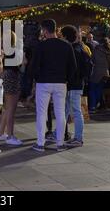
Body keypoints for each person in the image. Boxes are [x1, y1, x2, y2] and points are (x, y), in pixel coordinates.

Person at [29, 19, 77, 153]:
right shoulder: (67, 46)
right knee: (60, 113)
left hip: (43, 82)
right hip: (61, 83)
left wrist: (37, 78)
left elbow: (34, 66)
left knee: (41, 112)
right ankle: (60, 143)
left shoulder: (41, 46)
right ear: (56, 29)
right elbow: (73, 67)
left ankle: (40, 143)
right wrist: (67, 79)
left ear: (44, 30)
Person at [60, 25, 90, 147]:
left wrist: (68, 80)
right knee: (66, 110)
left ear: (66, 37)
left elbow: (72, 69)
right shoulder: (80, 48)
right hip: (77, 84)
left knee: (76, 111)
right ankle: (60, 133)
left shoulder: (73, 50)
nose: (60, 38)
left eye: (61, 35)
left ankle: (78, 138)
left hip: (73, 85)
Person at [0, 30, 23, 146]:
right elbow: (21, 64)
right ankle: (10, 136)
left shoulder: (1, 51)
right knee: (11, 108)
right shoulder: (15, 51)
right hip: (12, 77)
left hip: (5, 76)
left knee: (7, 107)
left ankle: (1, 133)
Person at [88, 36, 110, 114]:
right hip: (106, 72)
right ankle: (95, 105)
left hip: (97, 71)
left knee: (92, 89)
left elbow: (92, 60)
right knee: (99, 89)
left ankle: (92, 106)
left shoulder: (97, 49)